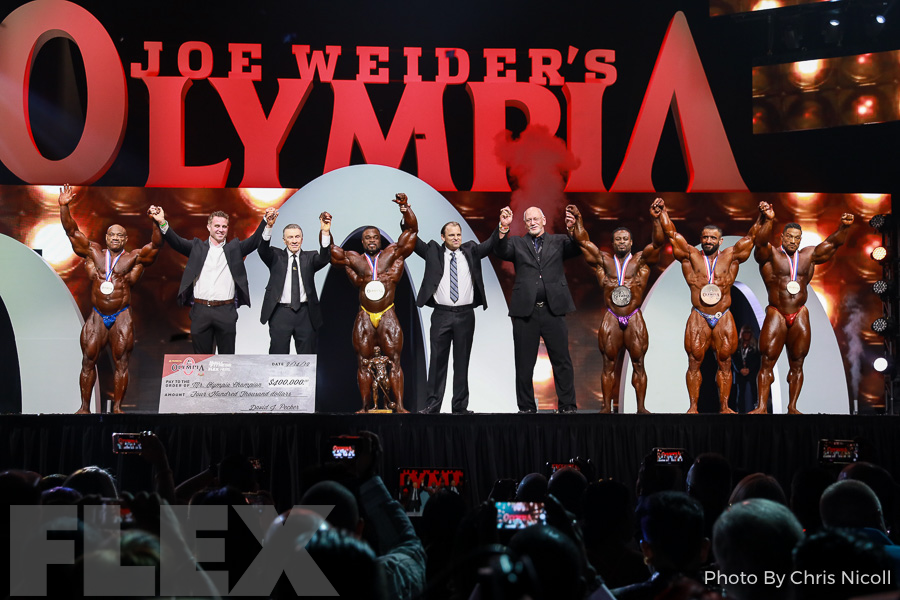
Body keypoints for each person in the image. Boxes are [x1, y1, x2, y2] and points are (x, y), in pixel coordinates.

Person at [658, 201, 772, 414]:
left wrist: (763, 217)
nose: (708, 241)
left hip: (723, 316)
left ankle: (725, 406)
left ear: (720, 241)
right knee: (694, 362)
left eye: (712, 238)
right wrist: (662, 213)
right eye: (705, 237)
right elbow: (671, 234)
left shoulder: (730, 256)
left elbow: (751, 237)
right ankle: (693, 407)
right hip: (699, 315)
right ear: (701, 239)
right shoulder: (691, 256)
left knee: (725, 362)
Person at [58, 184, 162, 414]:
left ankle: (117, 408)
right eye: (112, 235)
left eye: (119, 235)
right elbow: (72, 232)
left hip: (121, 315)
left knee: (121, 362)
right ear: (106, 238)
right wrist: (64, 207)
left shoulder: (133, 258)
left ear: (125, 239)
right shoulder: (94, 253)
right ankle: (84, 408)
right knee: (88, 360)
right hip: (97, 315)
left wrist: (156, 222)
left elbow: (155, 246)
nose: (115, 238)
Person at [568, 199, 665, 413]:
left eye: (625, 239)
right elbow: (584, 243)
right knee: (608, 364)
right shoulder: (604, 262)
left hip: (634, 316)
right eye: (618, 239)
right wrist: (579, 220)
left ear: (631, 242)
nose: (622, 242)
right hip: (612, 316)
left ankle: (641, 408)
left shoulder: (640, 261)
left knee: (638, 363)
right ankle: (606, 407)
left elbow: (658, 243)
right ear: (613, 243)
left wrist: (656, 219)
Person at [751, 213, 854, 414]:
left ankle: (792, 407)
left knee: (797, 362)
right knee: (767, 361)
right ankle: (762, 406)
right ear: (782, 237)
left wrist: (844, 227)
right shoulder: (771, 255)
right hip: (777, 312)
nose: (793, 241)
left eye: (797, 238)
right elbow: (760, 243)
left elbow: (833, 244)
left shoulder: (808, 256)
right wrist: (769, 221)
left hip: (799, 313)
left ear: (800, 239)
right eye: (789, 236)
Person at [330, 193, 417, 413]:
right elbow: (332, 255)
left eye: (375, 238)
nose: (371, 241)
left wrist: (405, 209)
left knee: (395, 360)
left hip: (387, 312)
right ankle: (365, 406)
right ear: (362, 242)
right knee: (363, 361)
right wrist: (325, 231)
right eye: (368, 238)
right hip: (365, 315)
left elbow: (411, 232)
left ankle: (400, 406)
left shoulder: (392, 254)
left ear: (380, 240)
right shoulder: (355, 259)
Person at [148, 205, 270, 354]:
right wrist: (162, 222)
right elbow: (176, 241)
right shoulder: (197, 247)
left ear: (227, 228)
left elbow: (254, 241)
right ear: (209, 227)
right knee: (201, 360)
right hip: (201, 311)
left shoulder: (234, 249)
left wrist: (266, 221)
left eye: (224, 226)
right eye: (217, 226)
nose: (220, 229)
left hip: (226, 310)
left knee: (227, 360)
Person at [495, 205, 581, 413]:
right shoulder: (517, 243)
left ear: (544, 220)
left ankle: (568, 407)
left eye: (536, 219)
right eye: (529, 220)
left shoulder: (559, 241)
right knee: (524, 364)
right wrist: (503, 228)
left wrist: (574, 228)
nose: (533, 222)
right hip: (526, 312)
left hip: (554, 309)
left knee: (562, 361)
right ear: (525, 224)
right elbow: (501, 250)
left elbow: (578, 247)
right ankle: (526, 408)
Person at [414, 220, 500, 414]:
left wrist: (502, 227)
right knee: (437, 362)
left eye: (458, 234)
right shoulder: (433, 252)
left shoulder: (471, 250)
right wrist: (405, 215)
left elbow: (490, 244)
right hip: (441, 315)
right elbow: (413, 240)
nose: (456, 238)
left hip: (465, 315)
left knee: (462, 362)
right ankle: (432, 405)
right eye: (451, 235)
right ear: (443, 237)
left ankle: (460, 407)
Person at [258, 210, 333, 354]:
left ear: (302, 239)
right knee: (278, 357)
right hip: (280, 313)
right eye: (290, 237)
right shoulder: (275, 256)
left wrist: (325, 232)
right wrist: (269, 226)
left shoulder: (310, 257)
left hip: (306, 314)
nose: (294, 241)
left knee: (307, 358)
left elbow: (324, 258)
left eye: (297, 237)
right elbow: (262, 250)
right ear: (284, 240)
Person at [731, 325, 761, 414]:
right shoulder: (737, 345)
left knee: (754, 390)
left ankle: (756, 408)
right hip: (740, 372)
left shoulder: (755, 345)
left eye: (748, 333)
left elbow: (757, 359)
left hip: (751, 372)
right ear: (741, 334)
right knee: (740, 393)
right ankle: (740, 411)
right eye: (745, 333)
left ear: (751, 334)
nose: (746, 335)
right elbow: (734, 359)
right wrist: (740, 369)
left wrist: (749, 369)